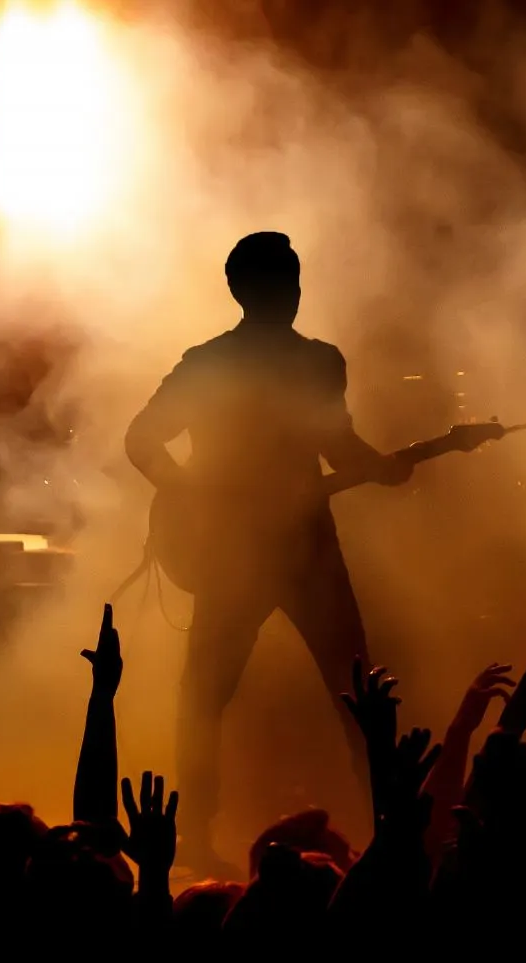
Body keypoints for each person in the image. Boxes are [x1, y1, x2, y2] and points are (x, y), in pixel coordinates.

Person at [125, 232, 413, 873]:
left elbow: (142, 440)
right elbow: (340, 448)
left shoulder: (209, 363)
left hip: (246, 551)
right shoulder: (317, 362)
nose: (293, 291)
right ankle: (388, 828)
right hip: (300, 551)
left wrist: (190, 491)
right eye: (286, 279)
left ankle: (193, 836)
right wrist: (383, 468)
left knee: (206, 696)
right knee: (357, 695)